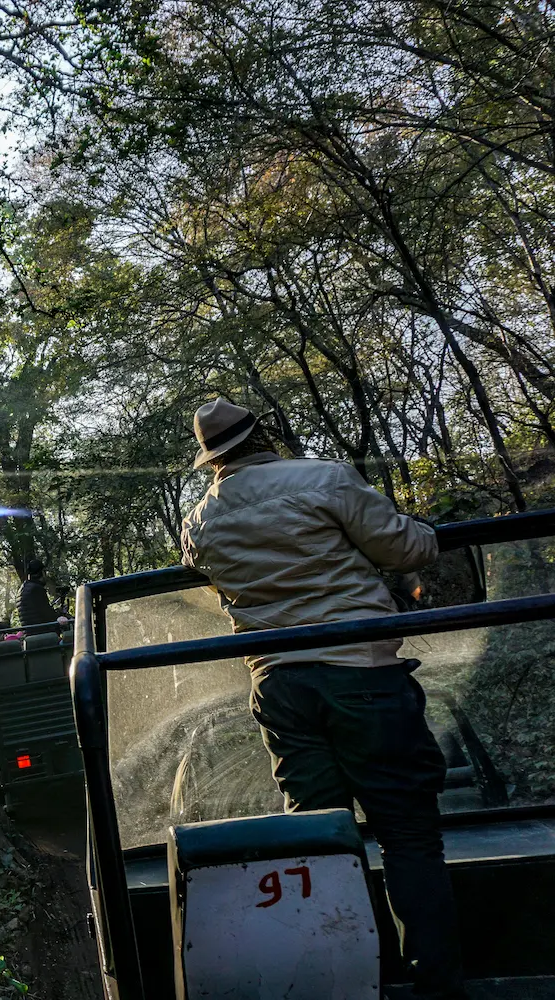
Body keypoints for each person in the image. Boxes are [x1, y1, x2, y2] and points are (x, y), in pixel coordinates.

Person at [179, 398, 462, 999]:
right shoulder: (325, 478)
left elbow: (207, 570)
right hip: (360, 670)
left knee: (320, 838)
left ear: (212, 461)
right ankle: (435, 986)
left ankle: (357, 981)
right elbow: (407, 549)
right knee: (408, 834)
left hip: (280, 684)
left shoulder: (200, 519)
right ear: (266, 434)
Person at [18, 559, 60, 632]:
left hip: (30, 633)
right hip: (42, 632)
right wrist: (60, 614)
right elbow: (48, 616)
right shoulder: (36, 589)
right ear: (42, 572)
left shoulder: (22, 589)